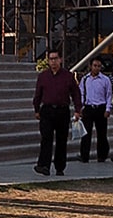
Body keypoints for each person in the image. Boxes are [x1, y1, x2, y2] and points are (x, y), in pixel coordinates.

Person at [33, 48, 80, 176]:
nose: (53, 62)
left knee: (61, 140)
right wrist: (36, 109)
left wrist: (77, 110)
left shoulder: (68, 76)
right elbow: (38, 94)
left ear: (60, 60)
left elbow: (76, 93)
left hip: (62, 110)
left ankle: (60, 167)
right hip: (47, 110)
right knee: (46, 138)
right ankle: (44, 165)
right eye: (51, 59)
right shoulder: (43, 76)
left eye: (55, 59)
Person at [78, 58, 113, 164]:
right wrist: (80, 107)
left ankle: (102, 156)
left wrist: (108, 109)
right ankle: (84, 156)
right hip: (89, 108)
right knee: (86, 134)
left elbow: (109, 95)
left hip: (101, 107)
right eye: (95, 66)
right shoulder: (85, 79)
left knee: (102, 134)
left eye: (99, 66)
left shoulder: (105, 80)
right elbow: (81, 94)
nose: (97, 68)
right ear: (90, 66)